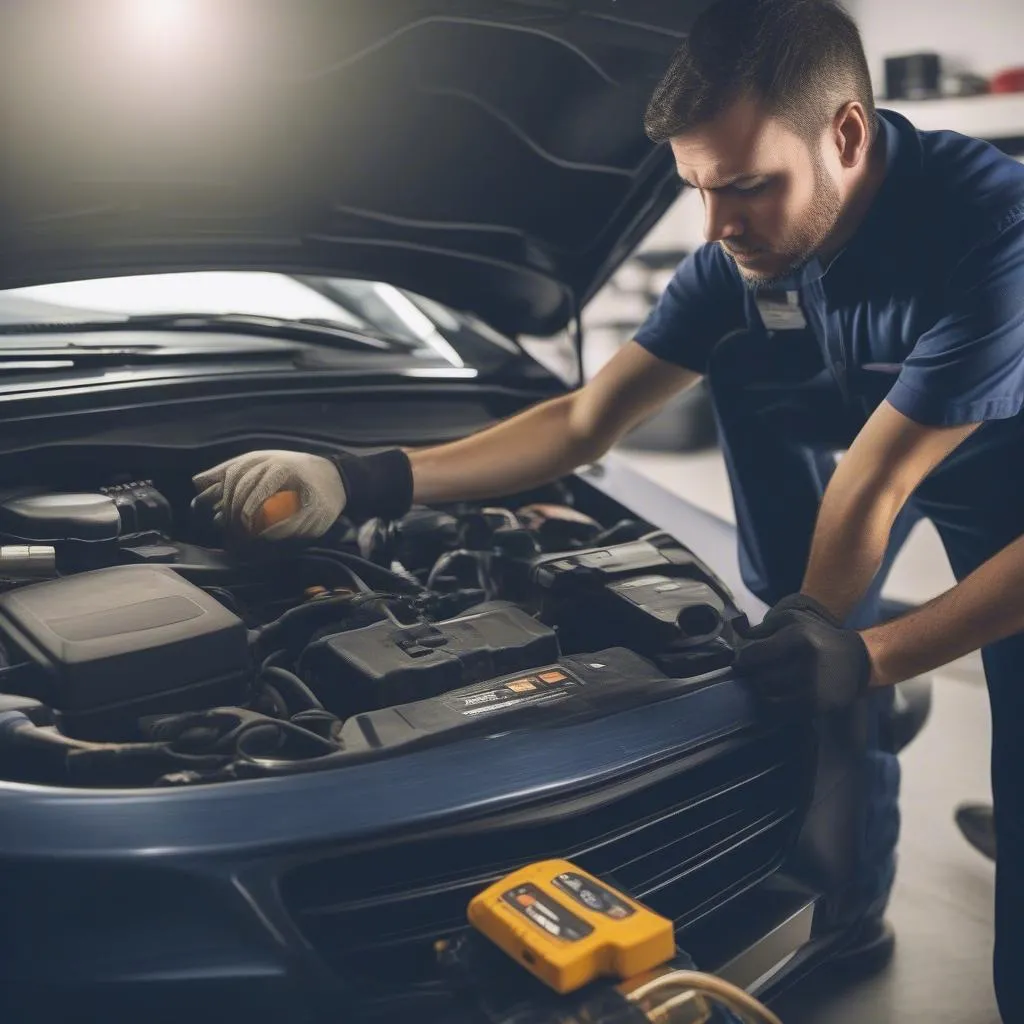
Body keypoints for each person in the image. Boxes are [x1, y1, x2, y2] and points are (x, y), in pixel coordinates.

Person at [193, 0, 1024, 1016]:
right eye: (697, 189)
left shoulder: (992, 229)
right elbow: (585, 419)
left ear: (846, 134)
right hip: (869, 441)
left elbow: (880, 479)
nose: (715, 228)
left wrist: (872, 651)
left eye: (748, 186)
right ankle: (849, 911)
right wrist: (368, 479)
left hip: (1006, 495)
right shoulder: (742, 245)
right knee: (812, 658)